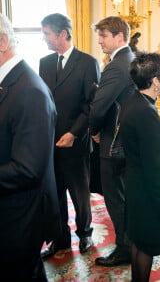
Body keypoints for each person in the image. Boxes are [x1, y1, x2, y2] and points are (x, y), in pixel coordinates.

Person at [0, 14, 60, 281]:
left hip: (19, 217)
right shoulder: (11, 83)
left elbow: (27, 169)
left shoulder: (28, 90)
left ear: (2, 41)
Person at [39, 13, 100, 258]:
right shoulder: (44, 62)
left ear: (62, 34)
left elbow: (91, 105)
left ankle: (85, 233)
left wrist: (73, 133)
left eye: (46, 33)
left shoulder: (87, 62)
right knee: (55, 192)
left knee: (79, 192)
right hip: (50, 141)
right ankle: (60, 238)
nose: (44, 38)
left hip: (76, 142)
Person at [119, 52, 160, 282]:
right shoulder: (147, 112)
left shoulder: (133, 101)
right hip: (147, 191)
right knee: (147, 245)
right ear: (155, 81)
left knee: (138, 241)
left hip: (134, 184)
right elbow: (154, 167)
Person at [90, 16, 135, 266]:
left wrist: (94, 131)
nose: (100, 41)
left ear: (119, 37)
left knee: (116, 199)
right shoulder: (127, 60)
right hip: (124, 141)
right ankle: (128, 243)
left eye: (104, 35)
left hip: (113, 142)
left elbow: (99, 106)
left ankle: (124, 248)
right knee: (122, 197)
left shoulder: (118, 64)